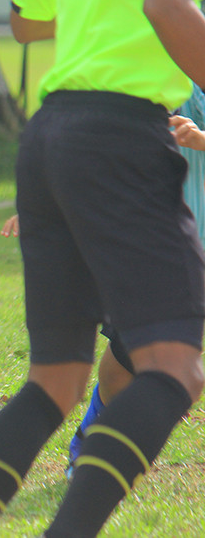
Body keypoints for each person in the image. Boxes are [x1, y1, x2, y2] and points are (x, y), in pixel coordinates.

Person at [0, 0, 205, 536]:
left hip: (49, 134)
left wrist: (102, 5)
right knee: (175, 369)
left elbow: (26, 19)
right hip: (121, 135)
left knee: (54, 383)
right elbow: (167, 4)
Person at [51, 84, 205, 478]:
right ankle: (94, 439)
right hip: (153, 238)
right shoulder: (148, 70)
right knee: (125, 362)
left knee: (178, 369)